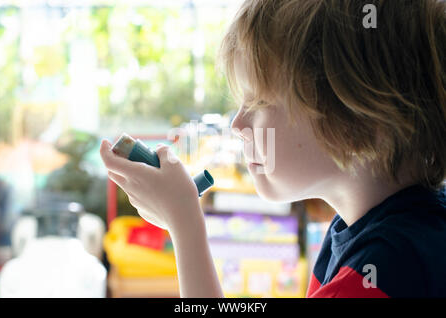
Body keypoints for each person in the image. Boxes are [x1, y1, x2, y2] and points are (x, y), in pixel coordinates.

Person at [100, 0, 446, 298]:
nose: (238, 124)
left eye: (260, 101)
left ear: (360, 122)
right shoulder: (378, 233)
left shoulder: (378, 275)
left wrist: (185, 225)